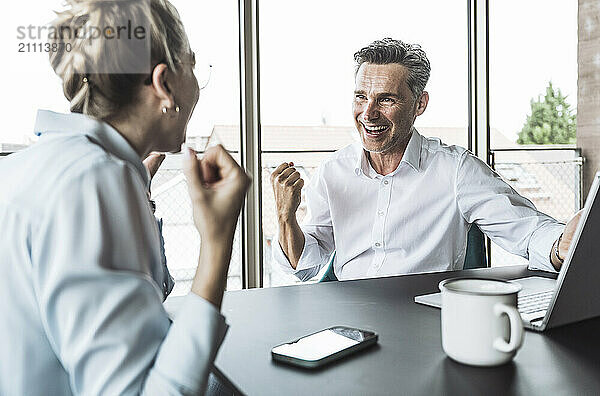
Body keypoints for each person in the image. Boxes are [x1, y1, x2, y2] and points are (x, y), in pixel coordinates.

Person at [0, 0, 250, 394]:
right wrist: (216, 246)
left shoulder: (25, 169)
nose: (199, 84)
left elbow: (131, 314)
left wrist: (138, 206)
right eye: (195, 66)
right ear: (164, 84)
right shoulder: (95, 181)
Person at [271, 38, 581, 282]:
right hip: (352, 322)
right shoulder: (331, 172)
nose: (368, 113)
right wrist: (286, 218)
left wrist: (560, 244)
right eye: (361, 97)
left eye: (386, 99)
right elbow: (307, 266)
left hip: (427, 319)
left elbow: (526, 230)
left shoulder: (456, 170)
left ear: (420, 103)